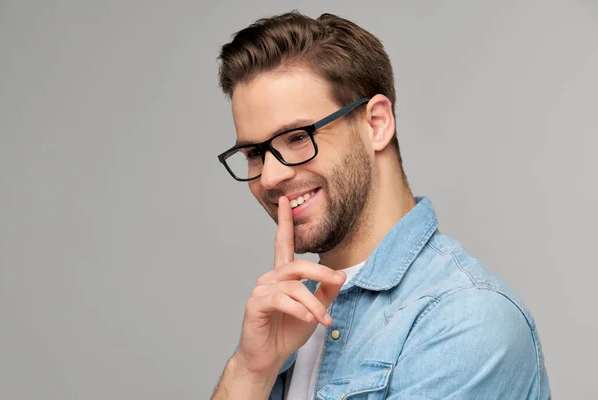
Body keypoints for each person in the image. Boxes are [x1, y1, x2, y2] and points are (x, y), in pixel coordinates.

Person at [210, 11, 551, 400]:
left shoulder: (466, 318)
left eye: (298, 137)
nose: (269, 177)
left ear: (376, 123)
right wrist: (250, 370)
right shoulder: (287, 315)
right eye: (255, 152)